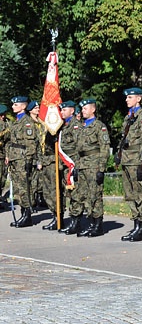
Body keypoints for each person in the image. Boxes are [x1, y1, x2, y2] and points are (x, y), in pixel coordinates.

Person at [116, 88, 142, 241]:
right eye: (127, 97)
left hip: (136, 160)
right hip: (126, 159)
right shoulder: (128, 118)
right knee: (130, 194)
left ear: (138, 99)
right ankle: (136, 223)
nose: (127, 100)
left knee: (140, 194)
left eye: (130, 97)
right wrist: (119, 155)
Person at [71, 99, 110, 237]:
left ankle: (98, 225)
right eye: (82, 109)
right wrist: (76, 166)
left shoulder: (99, 126)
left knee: (95, 195)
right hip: (82, 165)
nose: (83, 111)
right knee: (84, 195)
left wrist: (101, 169)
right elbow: (77, 149)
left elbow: (105, 148)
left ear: (93, 109)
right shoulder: (81, 127)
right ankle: (90, 223)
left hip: (94, 165)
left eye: (85, 108)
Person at [42, 101, 76, 230]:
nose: (61, 113)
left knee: (71, 193)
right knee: (54, 191)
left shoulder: (75, 126)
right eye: (60, 110)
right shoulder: (60, 126)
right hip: (59, 163)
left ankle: (74, 221)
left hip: (70, 164)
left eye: (64, 110)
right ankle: (57, 218)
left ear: (72, 111)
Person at [6, 96, 38, 227]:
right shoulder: (16, 122)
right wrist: (8, 155)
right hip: (15, 158)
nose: (13, 107)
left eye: (16, 105)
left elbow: (30, 144)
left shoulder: (27, 123)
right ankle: (23, 213)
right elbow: (11, 142)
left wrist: (28, 160)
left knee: (24, 188)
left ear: (23, 106)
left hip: (22, 159)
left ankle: (27, 215)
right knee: (19, 188)